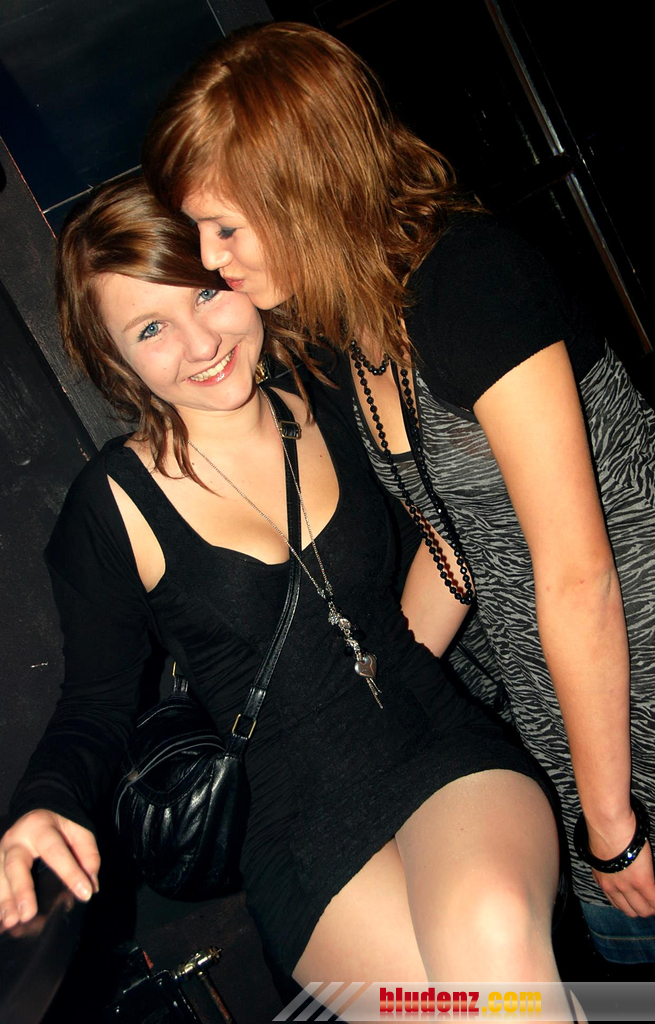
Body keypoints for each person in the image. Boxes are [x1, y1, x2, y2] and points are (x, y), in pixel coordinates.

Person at [141, 21, 655, 964]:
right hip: (574, 703)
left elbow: (576, 572)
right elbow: (458, 548)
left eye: (225, 226)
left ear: (306, 189)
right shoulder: (357, 329)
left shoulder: (468, 279)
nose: (212, 257)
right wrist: (356, 703)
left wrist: (610, 822)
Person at [0, 179, 566, 998]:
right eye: (151, 328)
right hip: (291, 823)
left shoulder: (333, 391)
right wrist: (43, 803)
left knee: (492, 929)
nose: (201, 343)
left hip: (434, 743)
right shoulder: (111, 508)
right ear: (112, 359)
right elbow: (93, 703)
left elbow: (445, 540)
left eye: (204, 292)